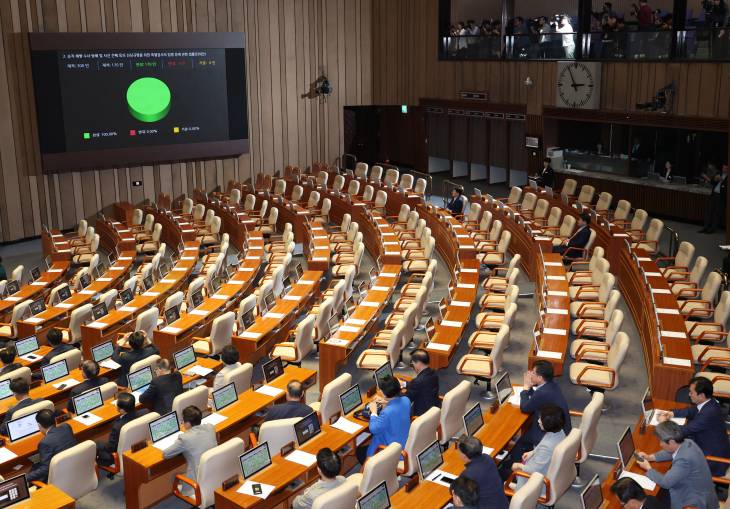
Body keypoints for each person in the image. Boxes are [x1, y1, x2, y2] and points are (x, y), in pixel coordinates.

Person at [656, 377, 730, 476]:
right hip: (706, 445)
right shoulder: (709, 402)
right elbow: (691, 411)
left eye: (691, 392)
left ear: (701, 395)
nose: (689, 394)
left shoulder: (708, 413)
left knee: (670, 450)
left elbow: (684, 431)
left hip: (712, 460)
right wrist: (672, 413)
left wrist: (664, 423)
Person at [636, 421, 719, 509]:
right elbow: (671, 452)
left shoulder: (684, 460)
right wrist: (650, 457)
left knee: (652, 500)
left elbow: (666, 483)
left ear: (671, 442)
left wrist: (648, 468)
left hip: (694, 501)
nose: (660, 444)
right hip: (701, 490)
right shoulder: (687, 442)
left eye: (661, 442)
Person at [510, 361, 570, 463]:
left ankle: (515, 464)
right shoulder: (552, 385)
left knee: (520, 442)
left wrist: (525, 388)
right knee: (527, 427)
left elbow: (525, 408)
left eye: (533, 373)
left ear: (540, 378)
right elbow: (537, 396)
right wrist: (530, 389)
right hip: (559, 426)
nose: (530, 374)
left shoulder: (543, 392)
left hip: (552, 430)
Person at [163, 406, 218, 497]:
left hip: (197, 483)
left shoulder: (184, 438)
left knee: (174, 476)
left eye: (183, 421)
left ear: (188, 424)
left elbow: (166, 454)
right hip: (215, 474)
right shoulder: (210, 428)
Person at [356, 374, 411, 464]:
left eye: (380, 390)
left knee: (359, 452)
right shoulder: (406, 400)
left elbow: (373, 429)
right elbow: (397, 407)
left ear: (384, 393)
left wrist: (373, 411)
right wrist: (386, 401)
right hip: (404, 443)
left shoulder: (387, 412)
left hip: (391, 450)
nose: (379, 391)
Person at [512, 405, 566, 492]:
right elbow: (543, 446)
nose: (538, 421)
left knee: (502, 473)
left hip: (534, 481)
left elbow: (532, 470)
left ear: (548, 424)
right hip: (544, 468)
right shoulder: (559, 432)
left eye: (541, 419)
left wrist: (518, 466)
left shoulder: (547, 447)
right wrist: (533, 452)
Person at [96, 392, 147, 466]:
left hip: (121, 454)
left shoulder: (118, 427)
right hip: (140, 446)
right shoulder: (145, 412)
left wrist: (99, 445)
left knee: (97, 444)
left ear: (122, 410)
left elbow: (111, 447)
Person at [457, 435, 508, 509]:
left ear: (464, 456)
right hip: (502, 504)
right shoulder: (488, 458)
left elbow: (456, 493)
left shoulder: (469, 474)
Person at [26, 409, 76, 483]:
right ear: (54, 420)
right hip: (73, 465)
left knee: (33, 469)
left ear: (39, 425)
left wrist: (25, 478)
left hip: (60, 474)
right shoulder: (66, 427)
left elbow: (45, 469)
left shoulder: (45, 443)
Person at [404, 349, 440, 416]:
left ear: (418, 363)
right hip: (434, 409)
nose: (413, 366)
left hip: (422, 415)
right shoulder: (433, 374)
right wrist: (404, 384)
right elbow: (420, 385)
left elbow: (406, 399)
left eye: (413, 363)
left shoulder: (418, 382)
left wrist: (394, 389)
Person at [700, 163, 727, 234]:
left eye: (725, 168)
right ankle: (705, 227)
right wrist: (715, 179)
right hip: (714, 194)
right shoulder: (719, 173)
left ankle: (712, 229)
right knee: (709, 211)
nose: (723, 169)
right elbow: (712, 181)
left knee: (716, 213)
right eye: (723, 168)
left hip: (721, 196)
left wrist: (722, 182)